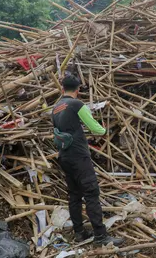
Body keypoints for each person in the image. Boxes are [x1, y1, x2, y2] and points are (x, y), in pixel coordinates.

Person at [52, 74, 124, 246]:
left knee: (74, 195)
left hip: (64, 156)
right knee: (91, 193)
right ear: (77, 90)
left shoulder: (55, 108)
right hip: (79, 157)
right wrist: (104, 130)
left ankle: (79, 233)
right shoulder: (77, 104)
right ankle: (101, 236)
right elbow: (95, 129)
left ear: (62, 89)